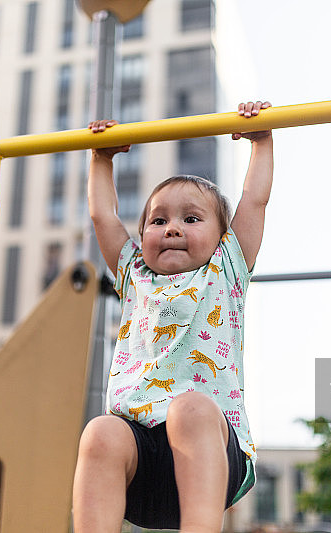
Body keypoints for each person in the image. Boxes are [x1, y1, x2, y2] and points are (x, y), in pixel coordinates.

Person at [73, 101, 274, 533]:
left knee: (191, 409)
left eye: (191, 218)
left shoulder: (226, 268)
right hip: (139, 465)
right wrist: (101, 158)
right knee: (101, 432)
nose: (172, 228)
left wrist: (262, 141)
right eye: (158, 220)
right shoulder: (133, 273)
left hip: (210, 457)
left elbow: (254, 201)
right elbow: (102, 215)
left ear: (221, 237)